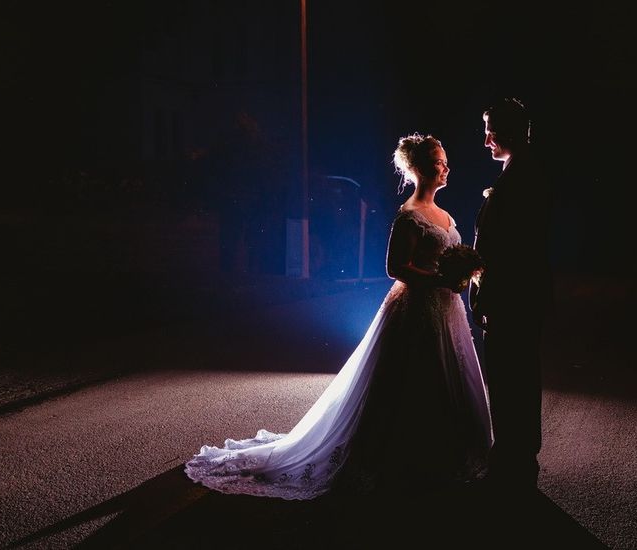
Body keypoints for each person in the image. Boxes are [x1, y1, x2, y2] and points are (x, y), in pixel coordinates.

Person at [185, 133, 492, 499]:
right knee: (409, 380)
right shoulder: (408, 216)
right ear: (420, 168)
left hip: (446, 310)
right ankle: (405, 457)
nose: (446, 167)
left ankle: (445, 453)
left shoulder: (445, 215)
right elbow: (396, 268)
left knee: (446, 377)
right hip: (418, 309)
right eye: (439, 161)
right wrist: (440, 278)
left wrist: (461, 273)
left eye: (445, 161)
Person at [469, 97, 552, 488]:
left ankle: (512, 461)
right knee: (516, 377)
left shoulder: (522, 176)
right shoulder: (523, 170)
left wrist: (484, 295)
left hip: (511, 300)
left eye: (490, 131)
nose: (486, 140)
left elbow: (510, 249)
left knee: (508, 379)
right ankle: (518, 457)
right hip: (520, 298)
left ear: (506, 132)